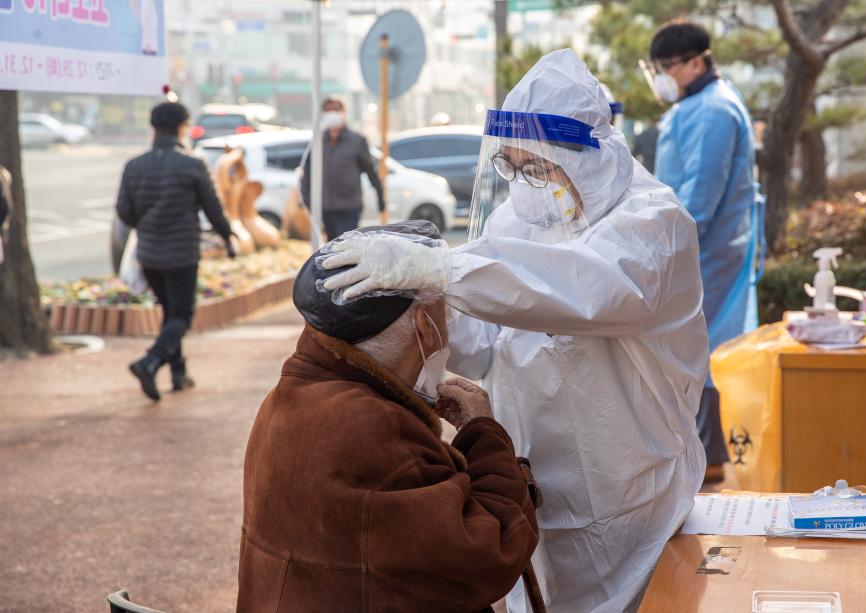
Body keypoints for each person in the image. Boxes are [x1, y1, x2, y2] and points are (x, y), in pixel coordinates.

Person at [321, 50, 708, 612]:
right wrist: (426, 335)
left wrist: (443, 269)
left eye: (539, 168)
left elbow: (585, 290)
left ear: (587, 155)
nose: (526, 184)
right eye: (513, 166)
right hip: (532, 491)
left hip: (630, 500)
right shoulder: (521, 216)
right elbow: (488, 337)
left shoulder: (653, 223)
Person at [237, 220, 541, 612]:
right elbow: (490, 553)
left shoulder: (292, 394)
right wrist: (482, 432)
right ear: (424, 326)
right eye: (445, 311)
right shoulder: (374, 429)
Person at [649, 21, 761, 483]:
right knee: (699, 346)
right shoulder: (698, 105)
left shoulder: (714, 110)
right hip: (701, 247)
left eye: (668, 67)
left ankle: (711, 455)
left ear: (697, 62)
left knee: (705, 348)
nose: (662, 77)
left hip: (706, 250)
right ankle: (705, 453)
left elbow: (702, 193)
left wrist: (666, 244)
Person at [116, 101, 235, 401]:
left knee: (169, 312)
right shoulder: (192, 164)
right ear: (182, 127)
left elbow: (124, 213)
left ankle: (179, 373)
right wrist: (228, 237)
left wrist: (148, 222)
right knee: (181, 314)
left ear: (153, 128)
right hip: (181, 254)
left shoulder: (133, 166)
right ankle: (150, 361)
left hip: (149, 254)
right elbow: (213, 209)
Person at [299, 97, 386, 240]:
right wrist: (307, 201)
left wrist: (380, 198)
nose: (332, 113)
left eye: (336, 110)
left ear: (344, 112)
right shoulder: (318, 142)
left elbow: (371, 171)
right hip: (325, 208)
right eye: (328, 110)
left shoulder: (357, 141)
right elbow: (307, 173)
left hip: (349, 208)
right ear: (323, 114)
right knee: (331, 249)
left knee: (345, 247)